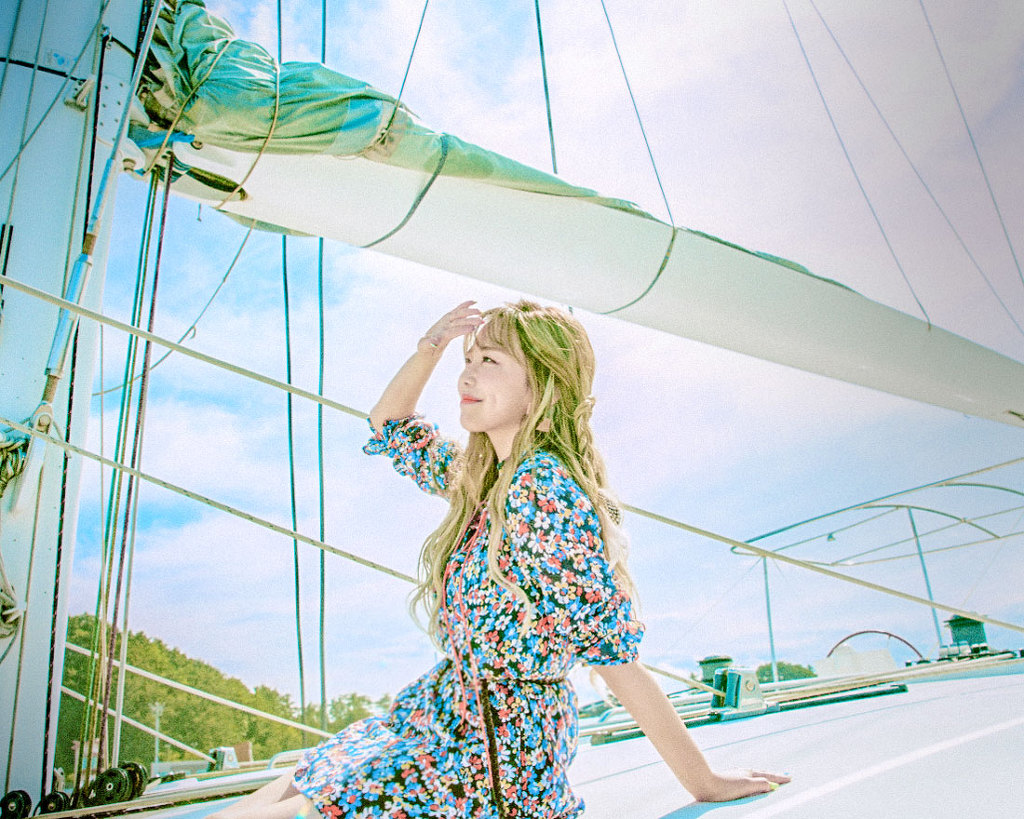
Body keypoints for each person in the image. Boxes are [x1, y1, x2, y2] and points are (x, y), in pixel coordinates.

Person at [212, 300, 789, 818]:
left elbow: (613, 656)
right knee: (278, 792)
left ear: (541, 386)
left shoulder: (542, 491)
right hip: (440, 716)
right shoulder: (486, 479)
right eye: (469, 359)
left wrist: (703, 782)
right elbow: (391, 426)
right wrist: (430, 348)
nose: (466, 374)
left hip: (489, 760)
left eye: (489, 361)